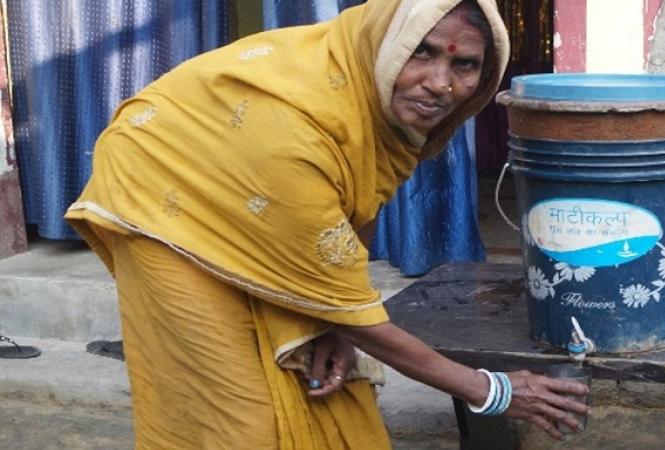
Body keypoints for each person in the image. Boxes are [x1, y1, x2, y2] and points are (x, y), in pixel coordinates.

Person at [65, 0, 589, 448]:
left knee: (323, 378)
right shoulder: (296, 139)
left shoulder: (368, 92)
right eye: (421, 52)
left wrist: (328, 321)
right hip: (162, 199)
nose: (439, 84)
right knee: (235, 417)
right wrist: (491, 390)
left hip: (263, 198)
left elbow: (354, 200)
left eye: (465, 65)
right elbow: (360, 318)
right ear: (388, 44)